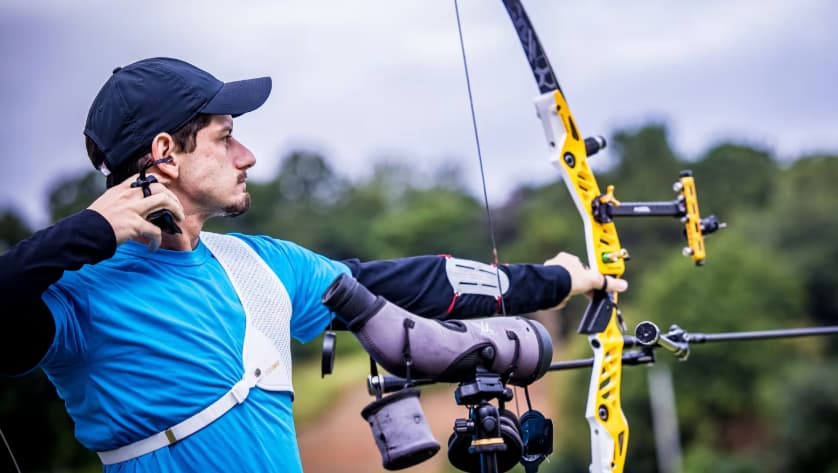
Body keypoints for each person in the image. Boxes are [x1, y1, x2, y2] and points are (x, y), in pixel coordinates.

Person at [0, 57, 627, 472]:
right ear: (165, 152)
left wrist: (561, 280)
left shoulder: (258, 264)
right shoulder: (78, 296)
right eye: (224, 136)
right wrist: (90, 230)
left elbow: (413, 285)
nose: (246, 156)